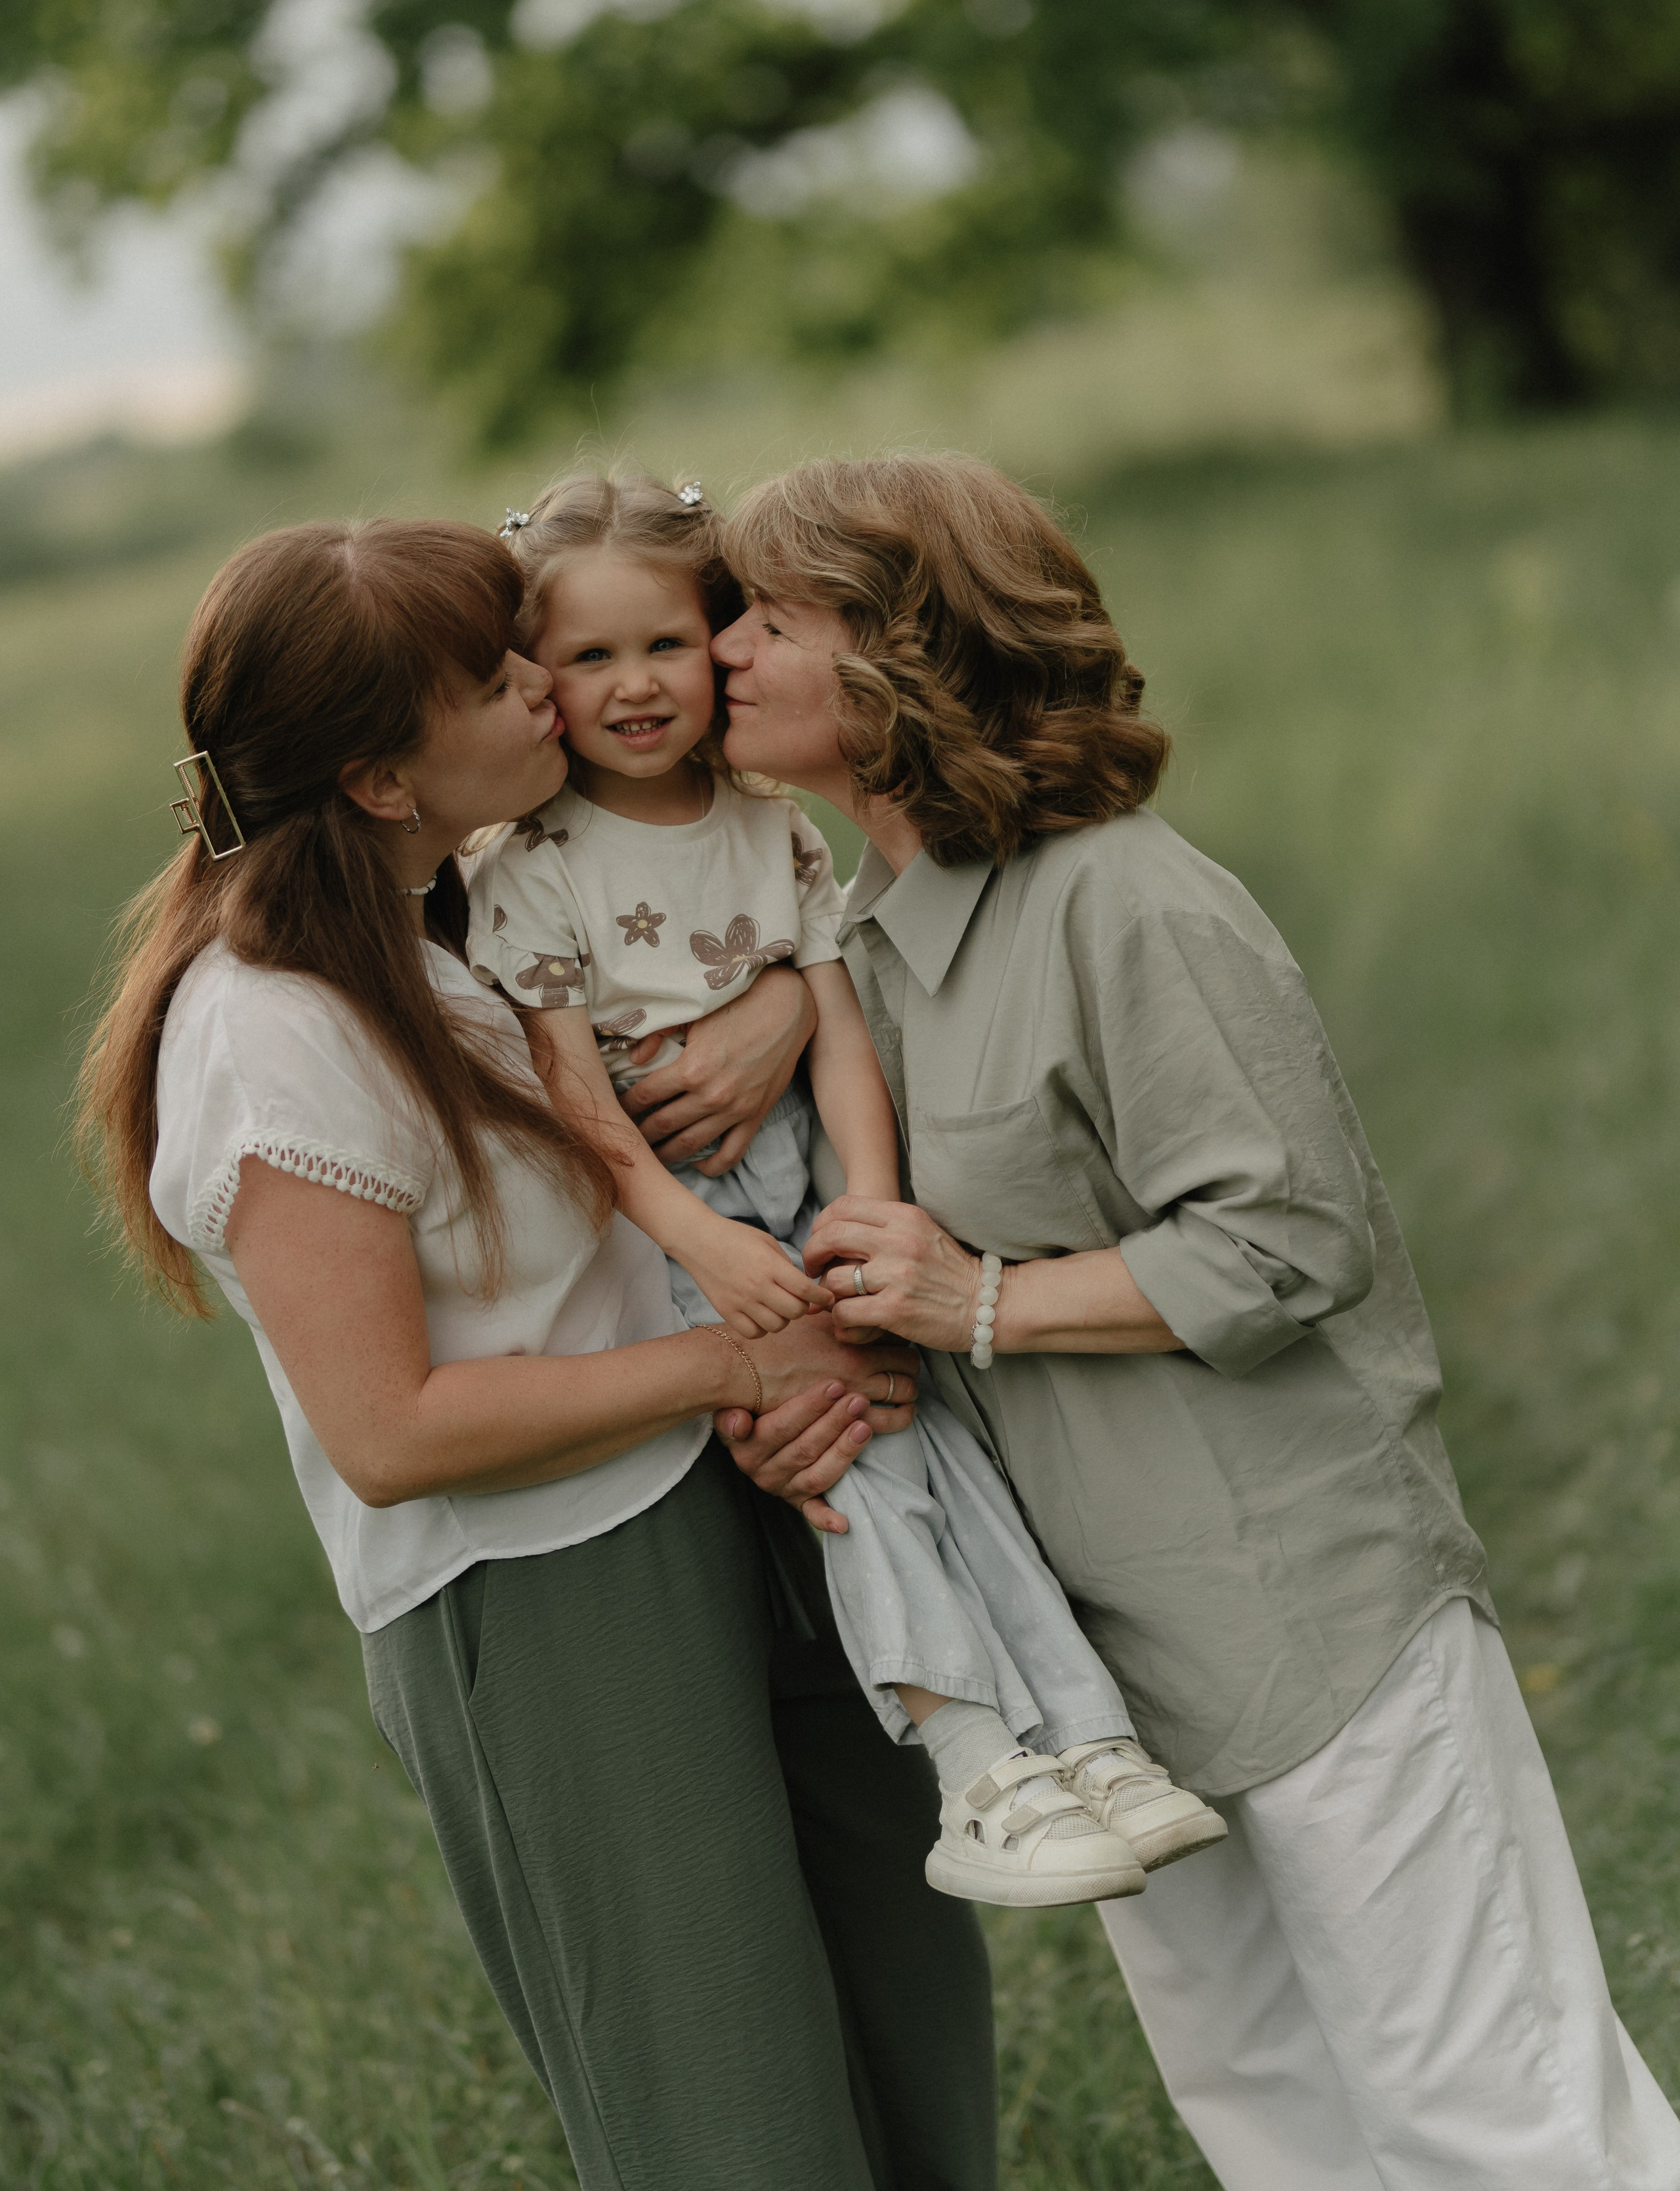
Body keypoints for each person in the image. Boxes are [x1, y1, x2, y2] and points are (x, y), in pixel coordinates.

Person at [708, 449, 1680, 2191]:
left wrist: (976, 1295)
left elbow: (1290, 1236)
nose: (722, 655)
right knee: (1268, 2110)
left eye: (770, 620)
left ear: (902, 655)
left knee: (1493, 2114)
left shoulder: (1127, 900)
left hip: (1306, 1612)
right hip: (1098, 1663)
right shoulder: (859, 949)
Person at [75, 517, 998, 2191]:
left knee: (901, 2018)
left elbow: (703, 947)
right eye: (503, 676)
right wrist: (743, 1366)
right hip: (544, 1583)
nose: (551, 690)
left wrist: (789, 1002)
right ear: (374, 776)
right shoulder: (273, 1029)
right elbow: (394, 1427)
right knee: (730, 2104)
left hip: (730, 1503)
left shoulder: (465, 907)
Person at [465, 471, 1224, 1909]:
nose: (637, 685)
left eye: (668, 643)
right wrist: (705, 1240)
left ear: (717, 640)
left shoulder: (776, 827)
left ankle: (1094, 1736)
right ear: (534, 678)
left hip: (820, 1179)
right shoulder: (533, 865)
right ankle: (976, 1766)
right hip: (680, 1217)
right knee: (854, 1457)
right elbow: (583, 1111)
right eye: (588, 657)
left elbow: (840, 1037)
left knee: (948, 1448)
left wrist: (872, 1210)